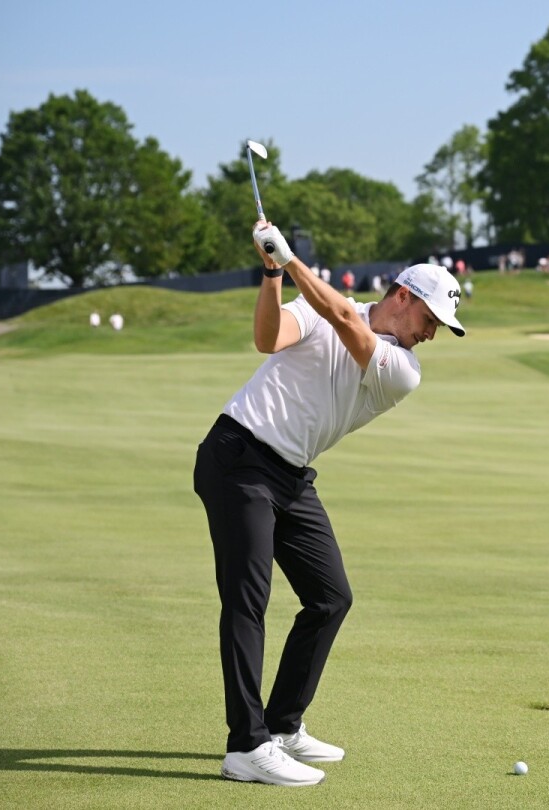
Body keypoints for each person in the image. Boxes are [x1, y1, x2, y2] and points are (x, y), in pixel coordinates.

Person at [193, 220, 466, 787]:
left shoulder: (404, 372)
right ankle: (246, 745)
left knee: (330, 596)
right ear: (403, 296)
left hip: (289, 475)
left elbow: (345, 320)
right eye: (432, 319)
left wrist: (289, 261)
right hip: (239, 454)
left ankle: (283, 724)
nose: (434, 334)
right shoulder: (322, 306)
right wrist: (272, 273)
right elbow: (269, 340)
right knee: (248, 600)